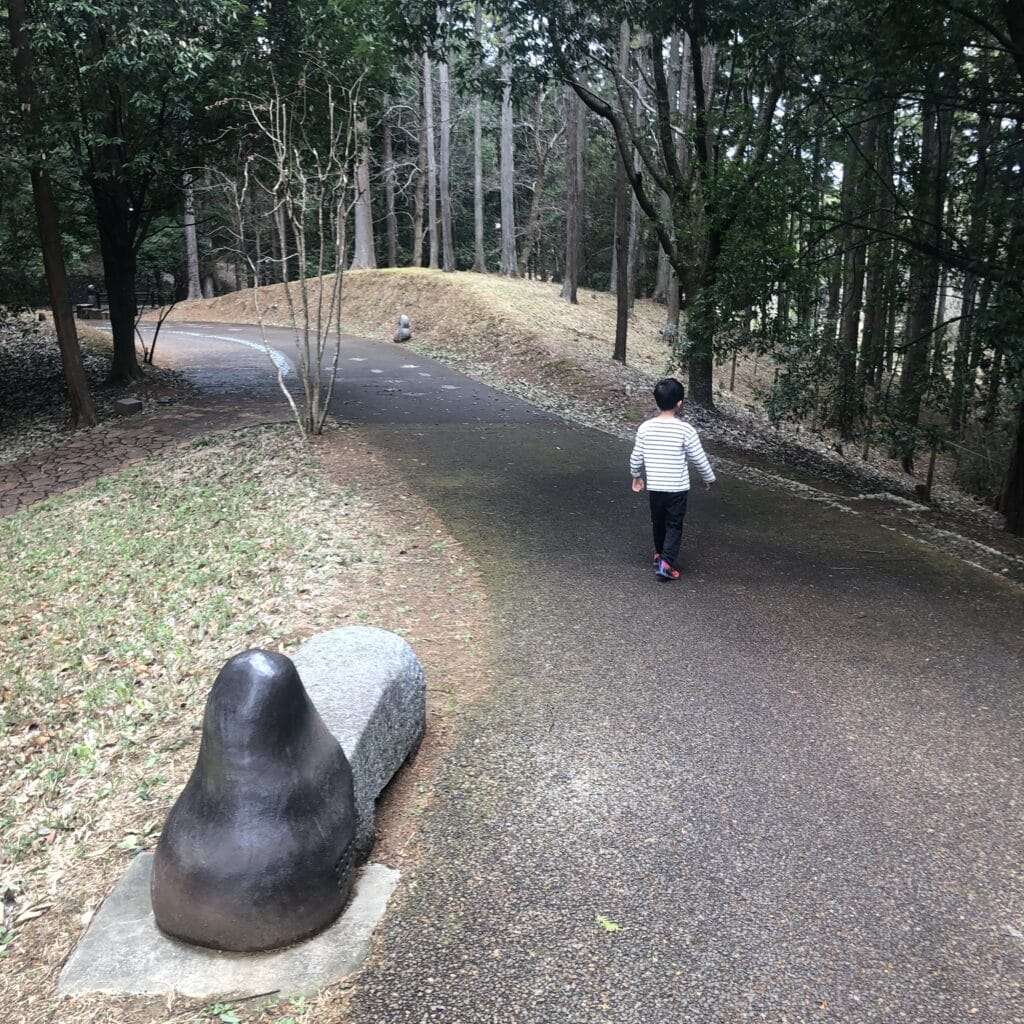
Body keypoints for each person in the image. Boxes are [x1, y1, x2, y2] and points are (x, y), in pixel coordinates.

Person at [629, 377, 715, 580]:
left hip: (656, 488)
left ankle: (659, 554)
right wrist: (708, 478)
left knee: (658, 522)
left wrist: (636, 476)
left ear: (657, 401)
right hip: (677, 490)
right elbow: (699, 458)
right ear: (680, 403)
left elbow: (636, 456)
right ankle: (666, 563)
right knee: (674, 524)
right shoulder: (686, 430)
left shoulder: (645, 428)